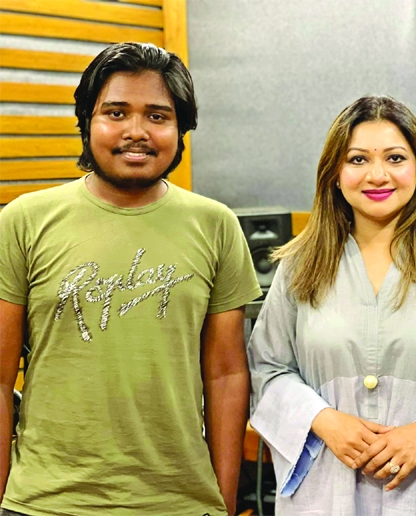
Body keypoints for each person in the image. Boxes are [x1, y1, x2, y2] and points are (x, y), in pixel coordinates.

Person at [0, 42, 262, 516]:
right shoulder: (22, 221)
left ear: (181, 128)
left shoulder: (216, 225)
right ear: (87, 121)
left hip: (180, 502)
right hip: (44, 502)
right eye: (116, 112)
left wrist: (222, 500)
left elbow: (226, 375)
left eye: (158, 116)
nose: (136, 132)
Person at [247, 95, 416, 515]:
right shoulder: (299, 265)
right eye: (357, 160)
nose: (377, 175)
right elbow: (267, 369)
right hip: (323, 494)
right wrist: (324, 420)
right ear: (335, 175)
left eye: (395, 158)